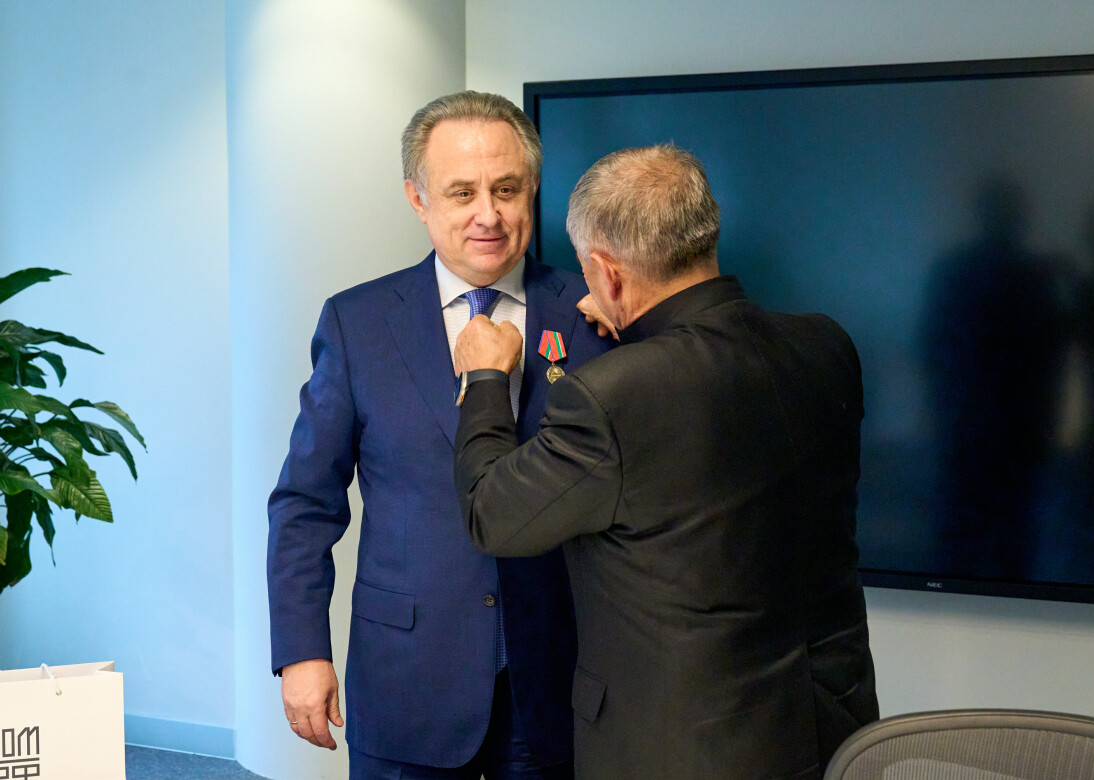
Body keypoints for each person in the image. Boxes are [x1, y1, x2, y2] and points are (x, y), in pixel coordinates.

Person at [453, 144, 879, 779]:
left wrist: (486, 377)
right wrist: (632, 323)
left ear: (608, 273)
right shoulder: (826, 346)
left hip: (684, 751)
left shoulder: (611, 395)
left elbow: (492, 514)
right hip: (830, 731)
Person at [267, 91, 611, 779]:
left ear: (532, 190)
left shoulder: (591, 314)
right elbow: (306, 502)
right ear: (418, 199)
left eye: (506, 189)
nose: (488, 214)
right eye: (462, 192)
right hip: (408, 681)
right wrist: (302, 650)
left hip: (557, 682)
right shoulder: (358, 323)